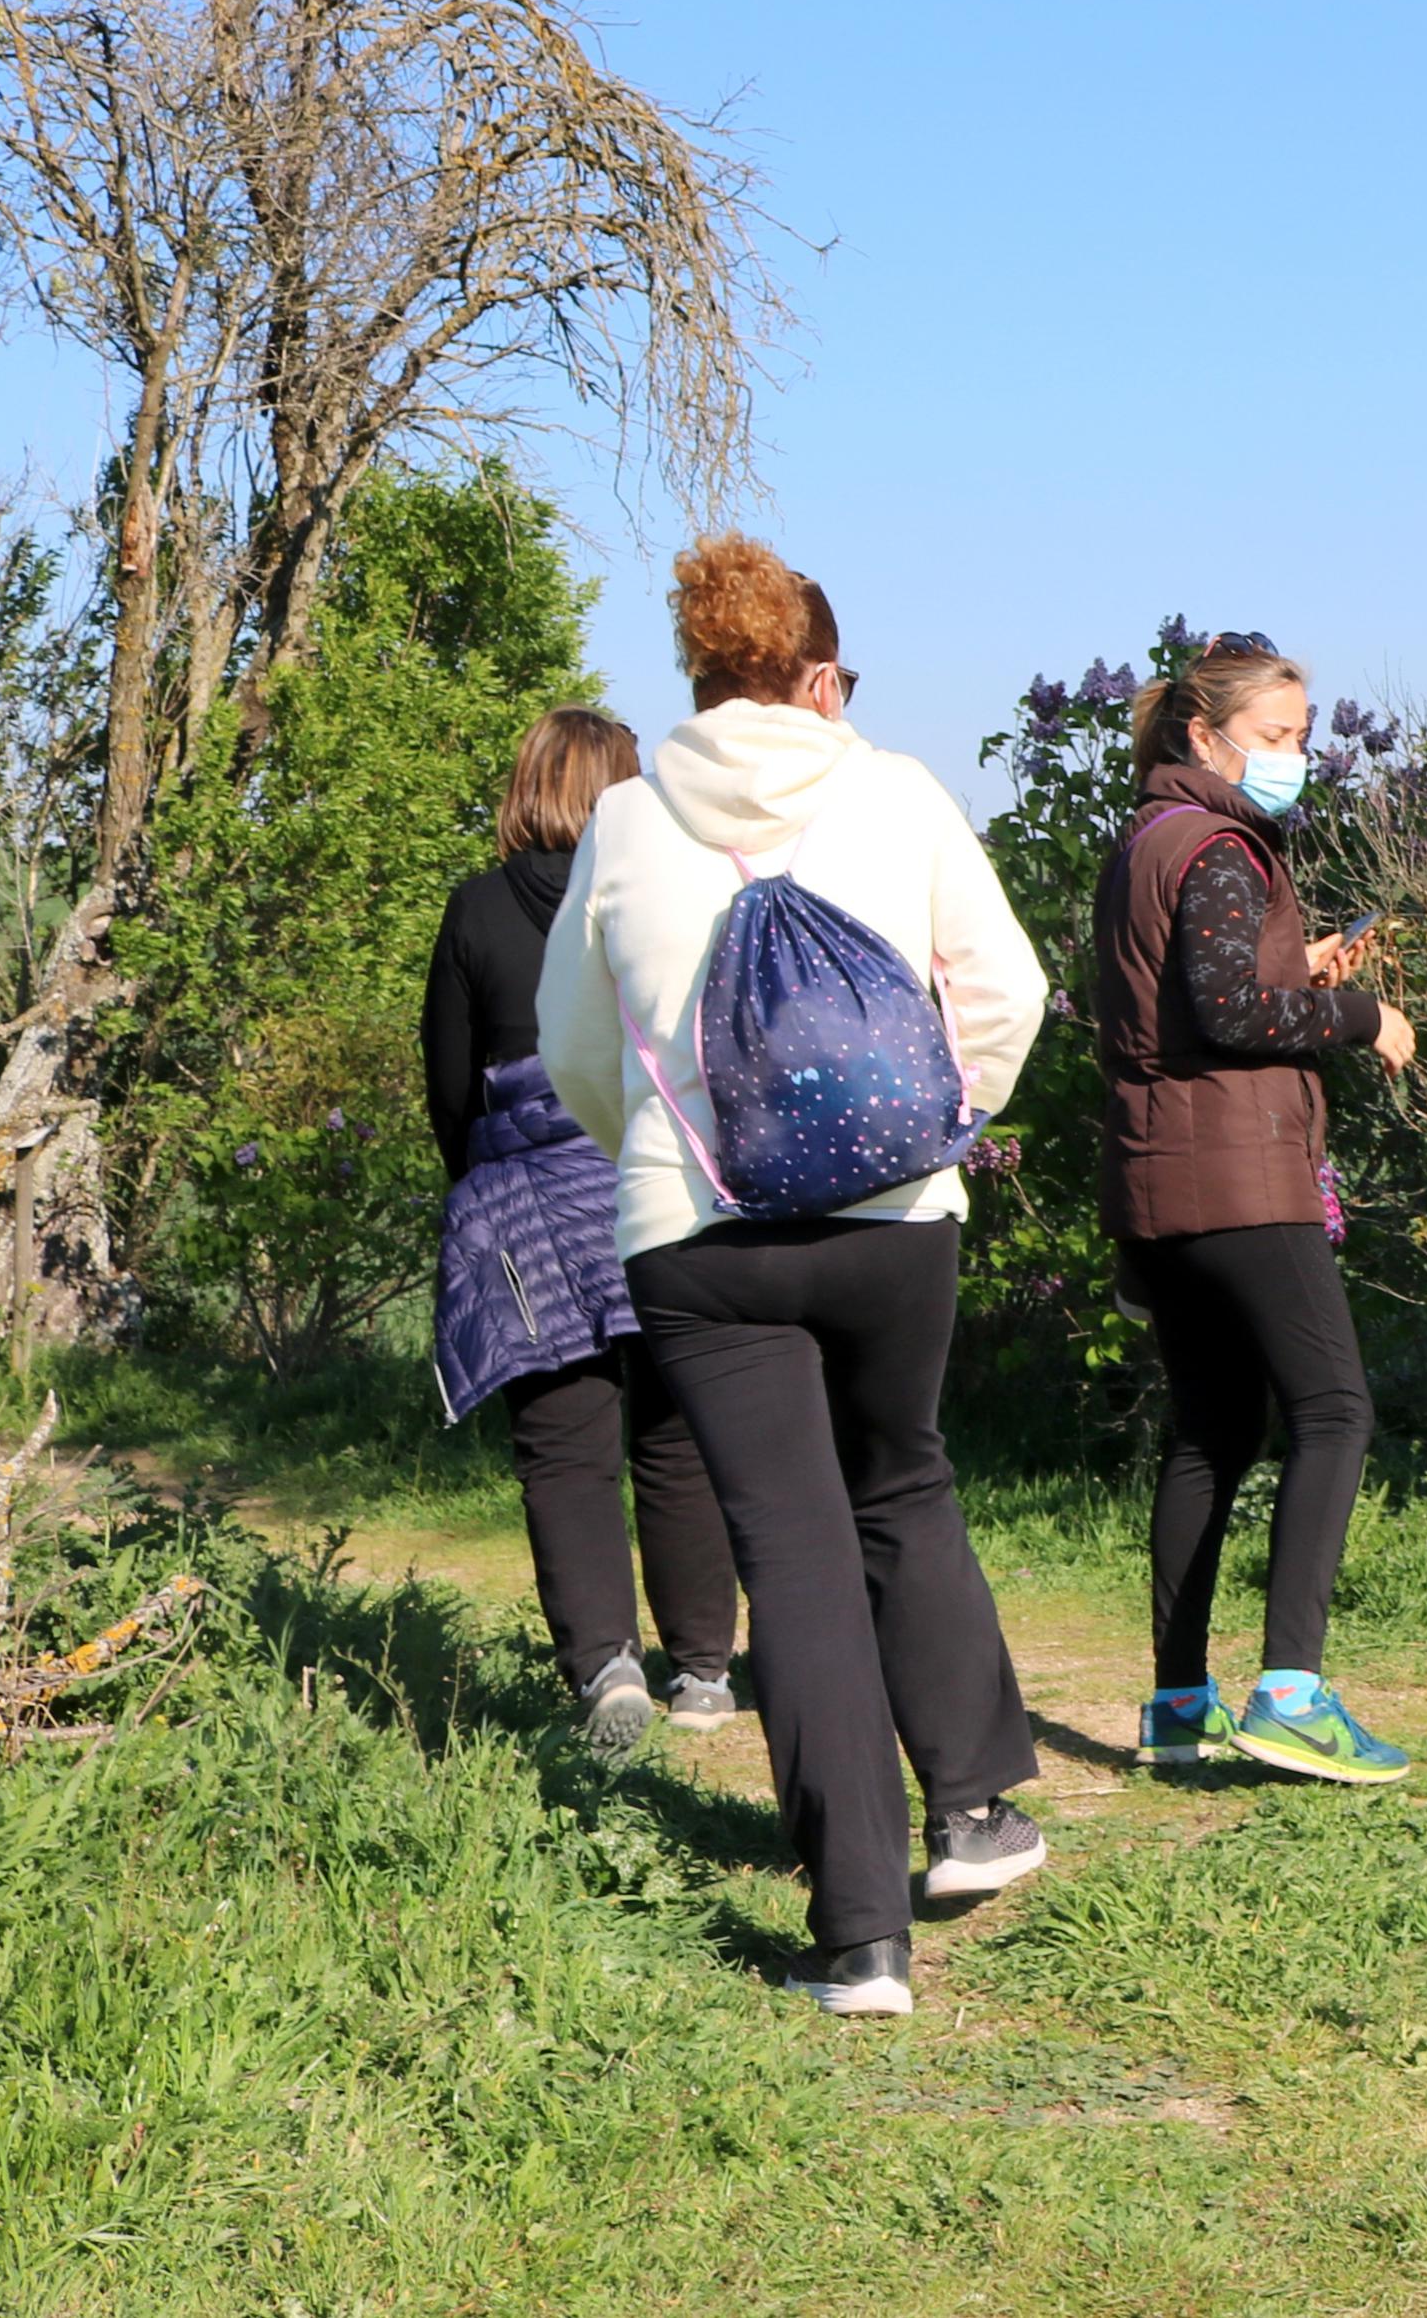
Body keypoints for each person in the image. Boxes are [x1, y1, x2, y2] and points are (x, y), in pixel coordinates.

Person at [540, 535, 1051, 2016]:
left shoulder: (626, 823)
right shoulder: (892, 789)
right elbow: (1004, 988)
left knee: (794, 1552)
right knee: (901, 1478)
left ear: (695, 674)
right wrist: (940, 1127)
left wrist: (666, 1160)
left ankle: (859, 1941)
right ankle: (970, 1811)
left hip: (700, 1238)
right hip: (896, 1219)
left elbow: (575, 1044)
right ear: (812, 672)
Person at [1096, 634, 1420, 1786]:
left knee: (1211, 1434)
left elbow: (1190, 1003)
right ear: (1206, 736)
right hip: (1236, 1175)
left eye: (1300, 736)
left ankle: (1179, 1702)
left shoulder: (1147, 838)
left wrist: (1301, 979)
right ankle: (1290, 1693)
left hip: (1153, 1179)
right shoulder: (1223, 845)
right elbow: (1233, 1016)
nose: (1295, 757)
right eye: (1277, 738)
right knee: (1332, 1412)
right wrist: (1358, 1015)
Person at [424, 706, 740, 1754]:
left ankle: (606, 1665)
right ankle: (702, 1671)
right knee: (676, 1435)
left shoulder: (474, 910)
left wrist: (491, 1186)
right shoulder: (657, 890)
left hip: (522, 1199)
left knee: (564, 1449)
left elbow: (447, 1087)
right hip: (654, 1178)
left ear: (522, 787)